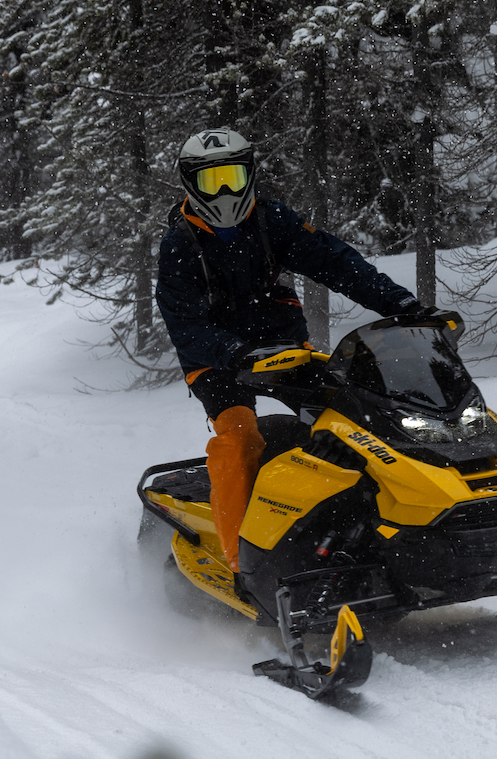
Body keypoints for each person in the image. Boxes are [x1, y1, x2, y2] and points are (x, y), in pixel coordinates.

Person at [155, 127, 432, 572]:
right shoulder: (180, 246)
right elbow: (185, 325)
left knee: (349, 422)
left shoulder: (271, 220)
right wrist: (233, 352)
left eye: (233, 176)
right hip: (215, 358)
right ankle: (242, 566)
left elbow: (337, 262)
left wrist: (400, 304)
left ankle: (378, 530)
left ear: (250, 175)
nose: (225, 190)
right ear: (191, 184)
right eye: (212, 181)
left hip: (281, 344)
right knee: (239, 439)